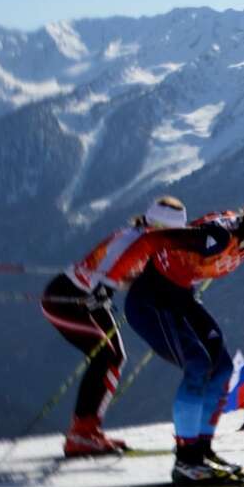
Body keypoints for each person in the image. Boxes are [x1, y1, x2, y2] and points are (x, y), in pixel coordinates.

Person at [121, 187, 244, 486]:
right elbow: (152, 239)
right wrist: (113, 276)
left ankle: (201, 452)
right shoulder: (216, 236)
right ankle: (186, 461)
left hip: (180, 298)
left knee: (223, 370)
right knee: (199, 366)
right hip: (149, 301)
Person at [40, 195, 188, 457]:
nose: (169, 238)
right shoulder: (128, 240)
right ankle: (81, 436)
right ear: (152, 225)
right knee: (104, 356)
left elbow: (126, 277)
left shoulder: (148, 240)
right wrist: (106, 289)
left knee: (115, 357)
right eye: (165, 231)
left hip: (89, 302)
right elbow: (106, 277)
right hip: (65, 299)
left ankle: (88, 430)